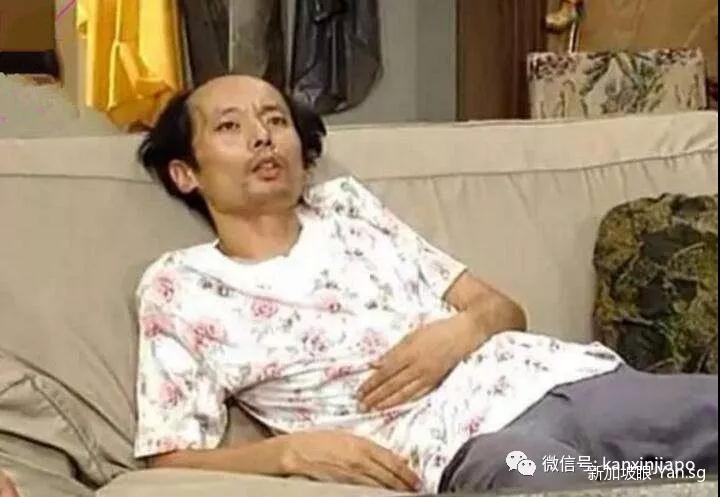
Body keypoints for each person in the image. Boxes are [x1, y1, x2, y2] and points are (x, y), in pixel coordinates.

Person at [134, 74, 718, 494]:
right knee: (559, 482)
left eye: (276, 119)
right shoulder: (180, 287)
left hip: (569, 383)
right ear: (185, 173)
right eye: (230, 126)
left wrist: (462, 332)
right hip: (475, 446)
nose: (262, 136)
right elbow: (168, 459)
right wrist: (289, 452)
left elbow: (501, 309)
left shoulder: (345, 209)